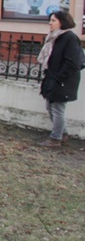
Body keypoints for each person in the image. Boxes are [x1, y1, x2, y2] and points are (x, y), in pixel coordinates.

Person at [37, 10, 82, 147]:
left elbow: (73, 63)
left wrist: (58, 77)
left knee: (57, 108)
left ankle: (55, 139)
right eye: (50, 20)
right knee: (50, 107)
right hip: (53, 77)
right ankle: (63, 134)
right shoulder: (54, 37)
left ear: (62, 22)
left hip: (63, 80)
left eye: (53, 20)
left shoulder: (69, 38)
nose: (50, 23)